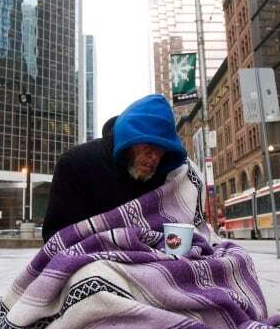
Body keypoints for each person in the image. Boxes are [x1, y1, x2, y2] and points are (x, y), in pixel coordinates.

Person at [42, 94, 187, 241]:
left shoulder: (167, 176)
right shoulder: (75, 164)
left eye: (161, 149)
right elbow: (56, 238)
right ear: (129, 138)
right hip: (90, 258)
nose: (154, 156)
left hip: (152, 257)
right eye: (148, 145)